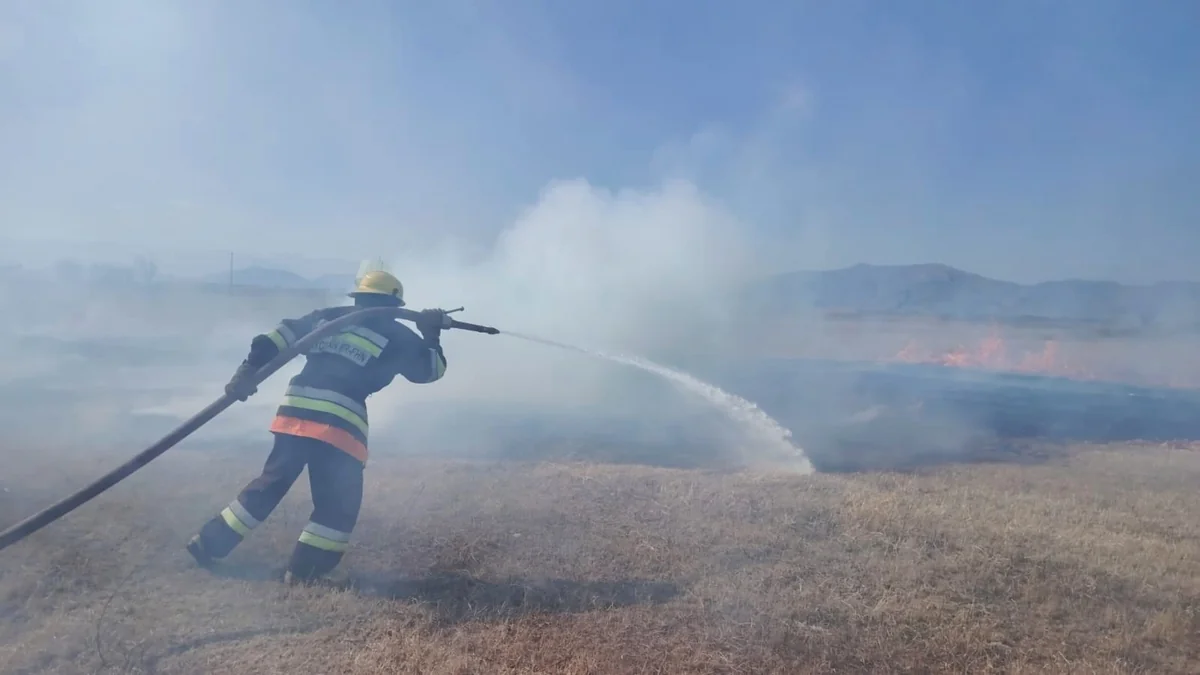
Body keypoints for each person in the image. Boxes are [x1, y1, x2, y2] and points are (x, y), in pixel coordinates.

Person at [185, 269, 450, 584]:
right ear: (395, 303)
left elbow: (279, 335)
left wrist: (249, 367)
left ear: (358, 297)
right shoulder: (397, 334)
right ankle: (304, 572)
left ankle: (208, 543)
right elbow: (430, 371)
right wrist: (431, 333)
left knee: (270, 485)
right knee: (338, 502)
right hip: (338, 424)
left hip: (294, 412)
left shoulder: (328, 318)